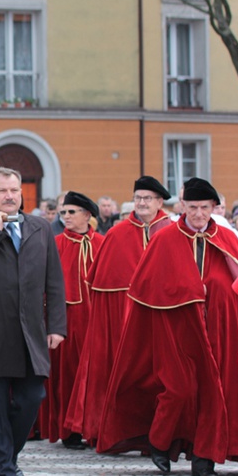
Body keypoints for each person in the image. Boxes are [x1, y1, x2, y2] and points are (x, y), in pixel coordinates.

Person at [97, 178, 238, 476]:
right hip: (175, 332)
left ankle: (204, 457)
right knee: (179, 390)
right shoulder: (166, 239)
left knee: (215, 394)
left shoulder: (227, 239)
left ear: (215, 208)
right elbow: (145, 289)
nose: (199, 214)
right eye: (193, 207)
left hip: (218, 333)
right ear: (182, 207)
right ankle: (160, 441)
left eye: (205, 208)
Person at [0, 167, 66, 476]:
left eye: (14, 190)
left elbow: (54, 280)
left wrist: (57, 326)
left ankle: (7, 457)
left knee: (32, 398)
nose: (9, 195)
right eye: (2, 190)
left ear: (21, 194)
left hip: (29, 333)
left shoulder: (40, 228)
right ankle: (5, 469)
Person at [64, 176, 171, 446]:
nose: (142, 203)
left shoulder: (172, 231)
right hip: (122, 323)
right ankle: (112, 430)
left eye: (148, 198)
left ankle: (165, 434)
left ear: (160, 202)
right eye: (139, 198)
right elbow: (102, 288)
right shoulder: (118, 234)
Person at [38, 192, 104, 450]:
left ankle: (96, 427)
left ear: (87, 216)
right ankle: (70, 430)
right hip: (66, 322)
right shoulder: (53, 244)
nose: (65, 216)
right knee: (67, 376)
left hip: (95, 322)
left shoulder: (102, 243)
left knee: (97, 375)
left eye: (71, 212)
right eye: (63, 212)